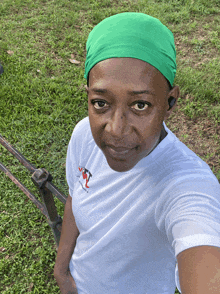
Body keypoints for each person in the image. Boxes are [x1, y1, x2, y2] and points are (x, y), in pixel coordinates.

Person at [54, 12, 220, 294]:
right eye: (100, 103)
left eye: (140, 105)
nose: (116, 130)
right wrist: (62, 270)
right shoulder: (84, 134)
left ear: (170, 102)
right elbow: (75, 197)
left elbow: (201, 248)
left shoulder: (187, 184)